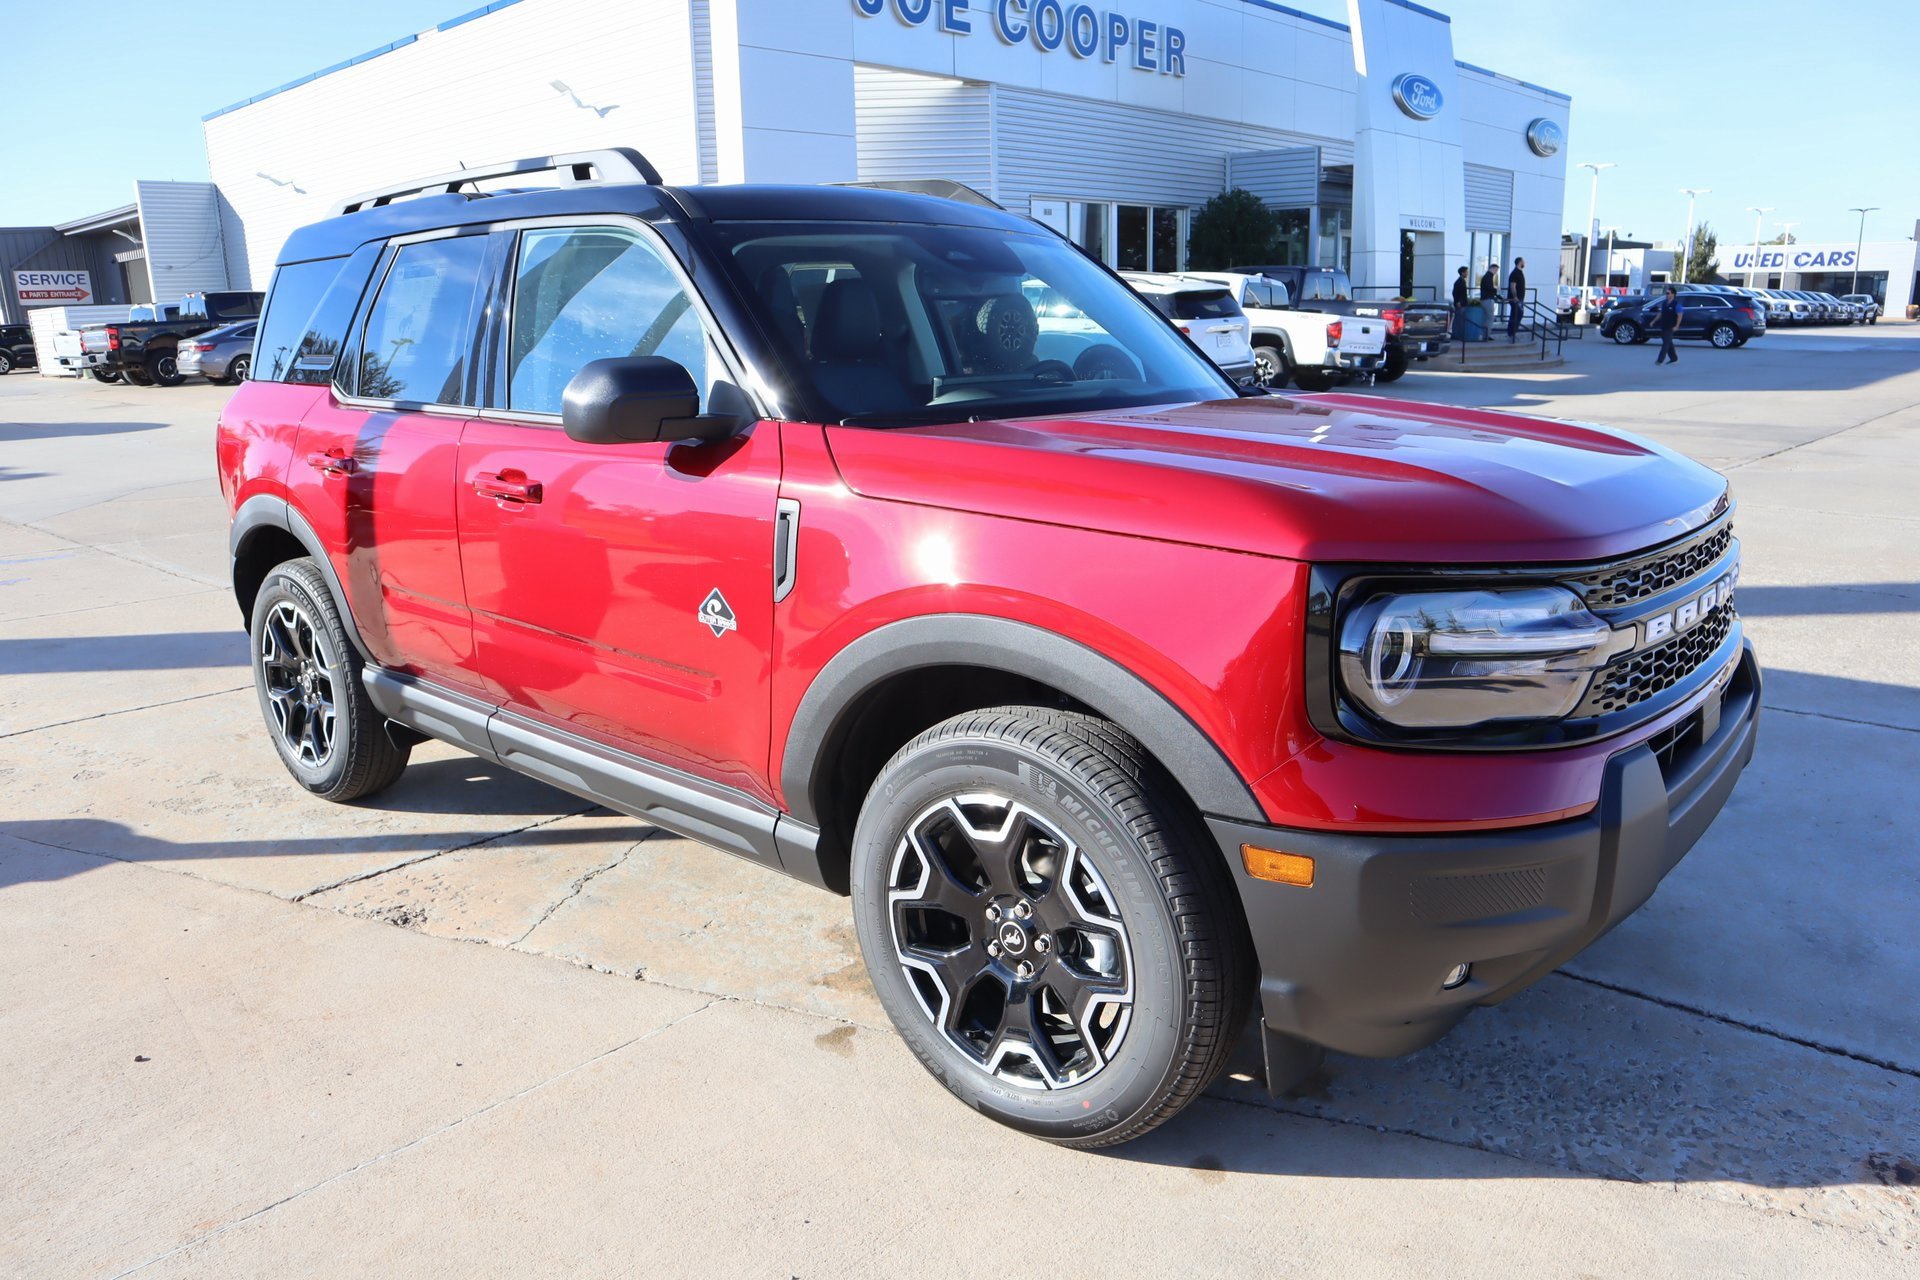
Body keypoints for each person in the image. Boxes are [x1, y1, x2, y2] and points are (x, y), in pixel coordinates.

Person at [1653, 285, 1684, 365]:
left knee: (1666, 344)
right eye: (1666, 293)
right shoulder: (1664, 303)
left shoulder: (1676, 305)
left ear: (1673, 294)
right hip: (1664, 325)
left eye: (1668, 293)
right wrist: (1653, 321)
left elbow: (1680, 315)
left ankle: (1660, 360)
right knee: (1668, 342)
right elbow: (1660, 313)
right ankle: (1674, 359)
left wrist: (1677, 326)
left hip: (1671, 327)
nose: (1666, 295)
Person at [1506, 257, 1527, 341]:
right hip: (1515, 299)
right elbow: (1512, 286)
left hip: (1520, 299)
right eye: (1523, 262)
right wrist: (1515, 296)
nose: (1524, 263)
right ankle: (1511, 333)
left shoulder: (1520, 272)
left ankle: (1512, 333)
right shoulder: (1515, 273)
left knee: (1518, 314)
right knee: (1516, 314)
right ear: (1520, 262)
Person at [1451, 265, 1470, 339]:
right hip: (1461, 304)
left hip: (1460, 303)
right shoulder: (1460, 282)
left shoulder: (1459, 281)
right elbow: (1459, 293)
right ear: (1462, 273)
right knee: (1460, 320)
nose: (1467, 274)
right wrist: (1459, 302)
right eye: (1466, 272)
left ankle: (1456, 334)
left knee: (1458, 319)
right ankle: (1458, 335)